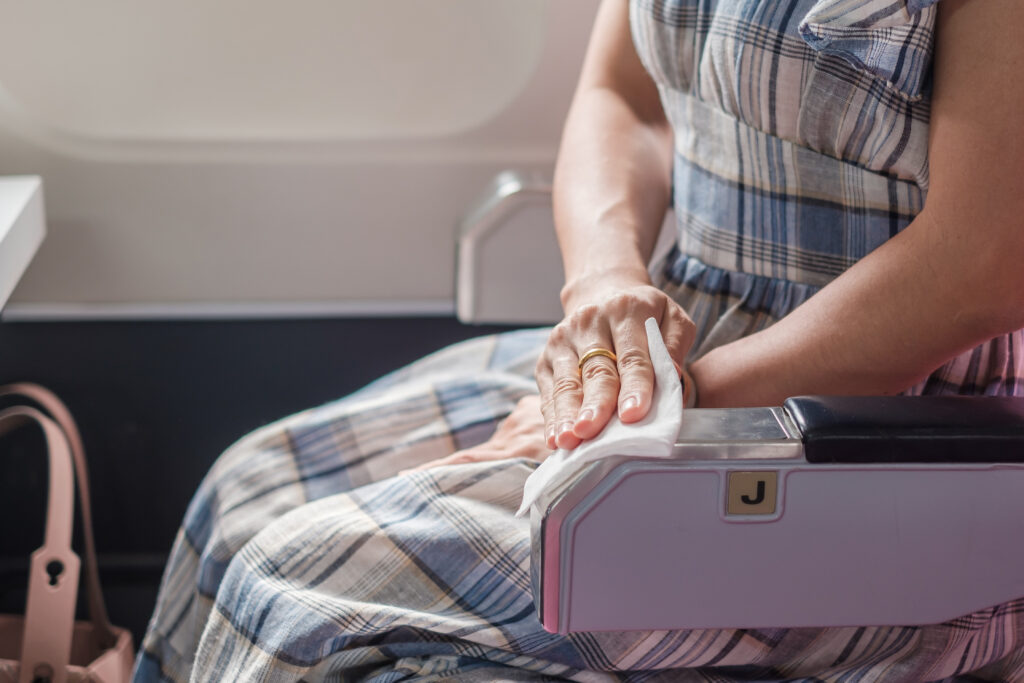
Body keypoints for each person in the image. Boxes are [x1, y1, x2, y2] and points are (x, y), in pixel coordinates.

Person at [134, 0, 1024, 680]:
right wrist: (605, 283)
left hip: (872, 435)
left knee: (295, 588)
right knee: (249, 485)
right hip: (681, 349)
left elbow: (977, 267)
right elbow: (625, 99)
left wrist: (642, 423)